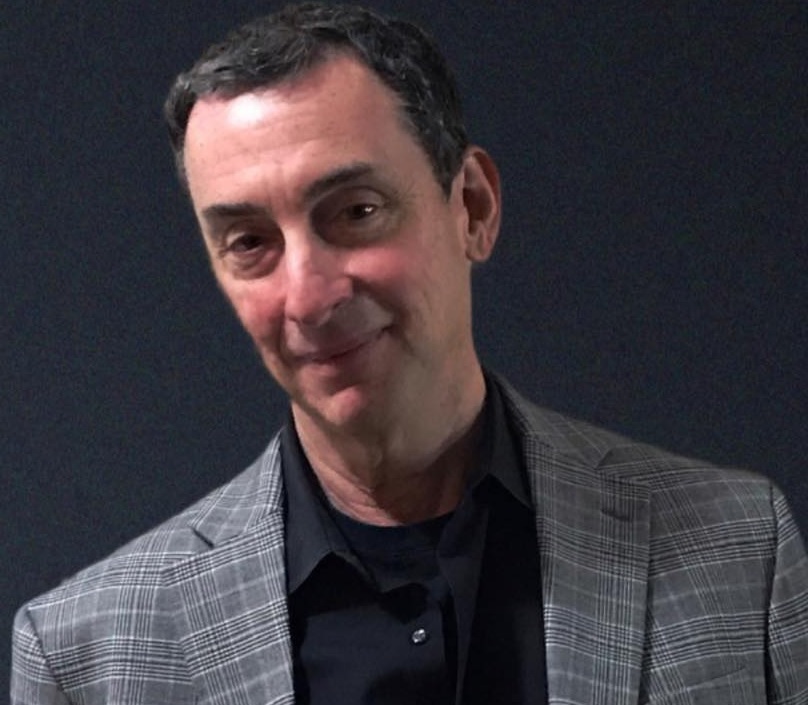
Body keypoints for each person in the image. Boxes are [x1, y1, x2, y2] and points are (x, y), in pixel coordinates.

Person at [11, 3, 808, 704]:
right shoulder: (86, 660)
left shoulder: (741, 553)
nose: (307, 295)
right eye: (249, 242)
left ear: (473, 207)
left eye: (355, 212)